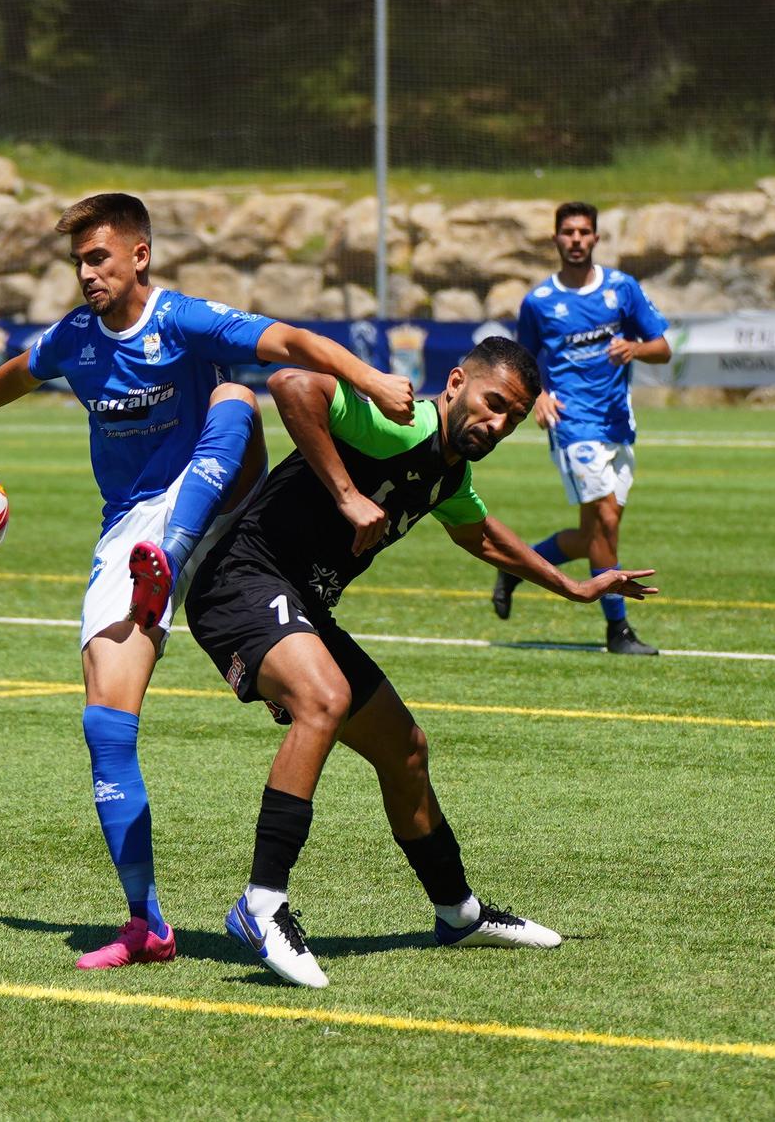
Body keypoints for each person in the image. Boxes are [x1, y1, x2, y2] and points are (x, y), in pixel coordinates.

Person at [0, 192, 414, 971]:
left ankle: (174, 559)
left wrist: (373, 379)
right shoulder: (76, 338)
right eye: (78, 260)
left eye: (98, 257)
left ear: (139, 254)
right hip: (129, 531)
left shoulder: (182, 319)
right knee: (105, 728)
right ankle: (146, 923)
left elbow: (289, 339)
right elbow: (18, 371)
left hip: (218, 509)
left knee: (236, 396)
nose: (85, 273)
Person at [186, 338, 656, 988]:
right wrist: (347, 493)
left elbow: (481, 534)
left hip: (302, 606)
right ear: (457, 382)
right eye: (492, 403)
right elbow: (294, 384)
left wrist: (574, 587)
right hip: (238, 587)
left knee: (405, 749)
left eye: (513, 418)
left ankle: (457, 911)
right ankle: (262, 901)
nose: (497, 424)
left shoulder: (450, 474)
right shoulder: (397, 421)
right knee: (323, 700)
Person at [491, 201, 670, 655]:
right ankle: (618, 631)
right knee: (607, 524)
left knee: (593, 536)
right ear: (555, 239)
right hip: (572, 425)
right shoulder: (540, 302)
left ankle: (516, 568)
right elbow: (521, 363)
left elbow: (663, 347)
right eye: (567, 232)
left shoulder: (621, 290)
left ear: (595, 238)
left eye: (583, 232)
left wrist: (635, 348)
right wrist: (540, 395)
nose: (575, 239)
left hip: (618, 424)